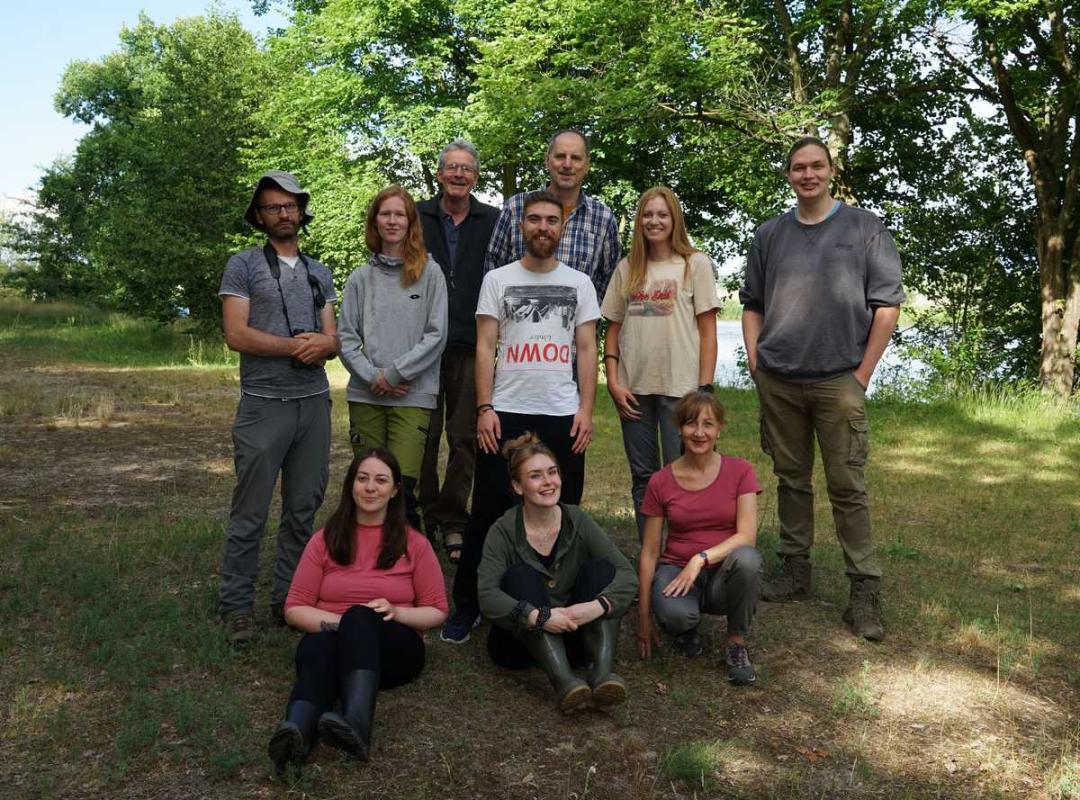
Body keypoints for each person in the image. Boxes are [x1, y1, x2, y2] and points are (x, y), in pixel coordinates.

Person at [739, 136, 905, 641]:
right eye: (797, 168)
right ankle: (795, 569)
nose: (807, 175)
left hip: (839, 379)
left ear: (831, 171)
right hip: (780, 378)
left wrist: (863, 374)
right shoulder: (770, 235)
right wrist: (755, 358)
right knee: (791, 479)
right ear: (788, 175)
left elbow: (887, 304)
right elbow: (752, 303)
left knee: (847, 486)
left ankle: (864, 589)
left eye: (816, 166)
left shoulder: (864, 229)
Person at [441, 190, 600, 644]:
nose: (543, 227)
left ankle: (562, 600)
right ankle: (468, 604)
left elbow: (586, 348)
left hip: (561, 413)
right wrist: (485, 408)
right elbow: (485, 346)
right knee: (488, 511)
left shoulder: (580, 284)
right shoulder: (498, 279)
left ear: (562, 228)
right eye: (535, 219)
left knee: (564, 512)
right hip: (506, 411)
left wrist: (586, 409)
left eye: (552, 220)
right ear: (522, 226)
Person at [217, 170, 339, 644]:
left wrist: (324, 346)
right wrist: (295, 347)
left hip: (313, 405)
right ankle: (235, 605)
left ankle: (289, 597)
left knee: (302, 508)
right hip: (264, 405)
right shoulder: (243, 265)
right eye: (273, 207)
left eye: (290, 206)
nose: (283, 214)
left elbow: (333, 336)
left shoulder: (318, 270)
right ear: (259, 216)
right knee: (250, 511)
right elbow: (236, 334)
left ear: (301, 211)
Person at [268, 449, 448, 770]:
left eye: (381, 480)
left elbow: (437, 610)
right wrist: (347, 626)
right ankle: (297, 732)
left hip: (395, 650)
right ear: (351, 484)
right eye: (362, 478)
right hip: (334, 642)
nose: (370, 488)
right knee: (319, 643)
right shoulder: (325, 540)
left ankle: (357, 724)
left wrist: (398, 612)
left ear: (394, 491)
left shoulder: (415, 543)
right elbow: (294, 608)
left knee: (360, 617)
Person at [478, 433, 637, 712]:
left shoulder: (578, 519)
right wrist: (537, 616)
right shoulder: (502, 529)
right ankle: (565, 683)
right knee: (520, 577)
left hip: (574, 632)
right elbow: (486, 595)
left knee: (601, 569)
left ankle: (601, 675)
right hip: (521, 646)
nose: (548, 482)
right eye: (536, 476)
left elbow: (626, 572)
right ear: (517, 486)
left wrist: (596, 606)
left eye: (552, 472)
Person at [601, 187, 719, 540]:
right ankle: (650, 555)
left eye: (662, 215)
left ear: (674, 220)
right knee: (644, 477)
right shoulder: (628, 267)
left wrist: (705, 390)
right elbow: (612, 330)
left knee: (681, 474)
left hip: (680, 391)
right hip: (634, 390)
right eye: (647, 215)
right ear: (640, 221)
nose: (654, 221)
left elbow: (708, 333)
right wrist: (613, 381)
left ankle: (684, 553)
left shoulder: (694, 264)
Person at [338, 186, 449, 529]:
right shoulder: (360, 278)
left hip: (412, 395)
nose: (392, 221)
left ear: (411, 222)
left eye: (399, 214)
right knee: (368, 488)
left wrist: (396, 375)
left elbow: (436, 334)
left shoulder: (430, 273)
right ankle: (363, 564)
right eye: (385, 214)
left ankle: (408, 565)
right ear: (375, 222)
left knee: (402, 489)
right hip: (366, 394)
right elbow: (345, 338)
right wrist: (375, 378)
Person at [636, 391, 763, 685]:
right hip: (676, 572)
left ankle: (735, 642)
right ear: (679, 428)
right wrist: (643, 617)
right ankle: (686, 629)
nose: (699, 432)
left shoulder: (741, 471)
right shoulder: (660, 481)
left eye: (708, 424)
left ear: (719, 429)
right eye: (691, 423)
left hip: (723, 573)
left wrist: (700, 558)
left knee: (748, 560)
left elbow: (747, 536)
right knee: (676, 616)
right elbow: (650, 552)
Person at [417, 140, 500, 562]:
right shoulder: (417, 215)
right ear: (438, 174)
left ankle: (453, 519)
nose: (458, 174)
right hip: (423, 346)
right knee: (424, 437)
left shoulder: (493, 220)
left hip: (472, 343)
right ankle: (424, 512)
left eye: (466, 168)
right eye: (451, 167)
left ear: (476, 176)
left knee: (465, 438)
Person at [485, 129, 620, 302]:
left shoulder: (603, 218)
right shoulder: (516, 208)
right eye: (560, 156)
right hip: (515, 325)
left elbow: (608, 281)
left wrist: (584, 316)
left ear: (587, 165)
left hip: (576, 327)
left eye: (576, 158)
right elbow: (493, 265)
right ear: (547, 161)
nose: (567, 164)